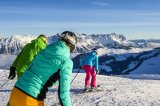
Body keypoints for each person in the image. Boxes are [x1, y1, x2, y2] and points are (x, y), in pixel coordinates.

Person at [8, 31, 77, 106]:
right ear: (71, 46)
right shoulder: (66, 62)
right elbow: (63, 93)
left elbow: (29, 69)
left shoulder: (43, 52)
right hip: (31, 98)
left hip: (16, 92)